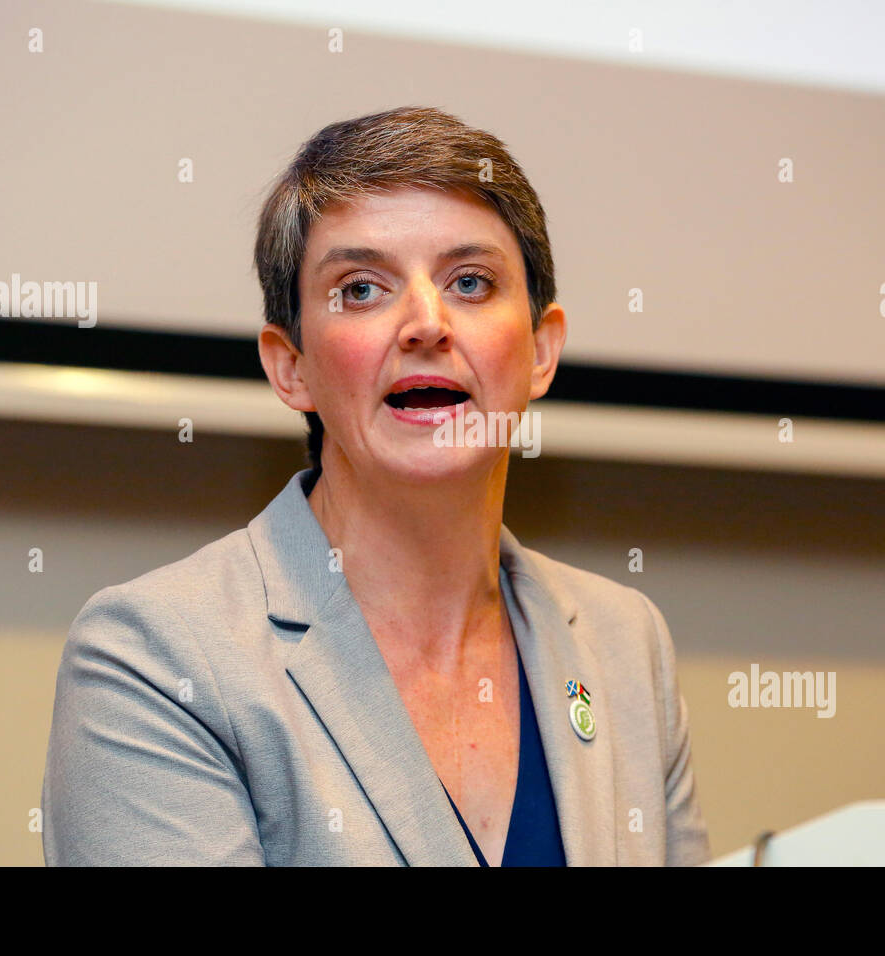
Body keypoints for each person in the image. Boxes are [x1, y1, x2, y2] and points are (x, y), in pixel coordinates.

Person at [41, 105, 709, 866]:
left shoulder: (627, 644)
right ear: (290, 366)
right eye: (361, 289)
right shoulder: (157, 660)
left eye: (470, 281)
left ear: (542, 352)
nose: (425, 324)